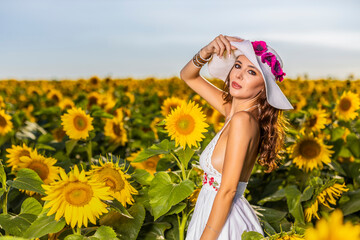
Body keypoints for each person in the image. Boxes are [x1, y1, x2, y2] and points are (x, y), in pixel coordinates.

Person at [180, 34, 294, 240]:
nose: (239, 75)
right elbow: (188, 76)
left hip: (221, 225)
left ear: (263, 88)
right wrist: (205, 52)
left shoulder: (243, 120)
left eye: (251, 72)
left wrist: (207, 237)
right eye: (238, 66)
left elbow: (228, 190)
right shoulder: (233, 111)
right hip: (211, 215)